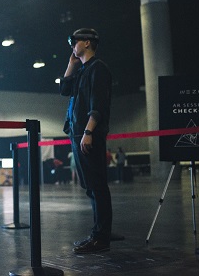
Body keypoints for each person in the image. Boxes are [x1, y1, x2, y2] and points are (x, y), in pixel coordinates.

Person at [59, 28, 113, 254]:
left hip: (87, 135)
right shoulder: (82, 70)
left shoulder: (98, 69)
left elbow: (98, 103)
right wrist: (71, 65)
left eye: (75, 41)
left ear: (88, 43)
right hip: (77, 133)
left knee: (97, 185)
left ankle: (101, 237)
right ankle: (98, 233)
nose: (72, 45)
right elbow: (64, 90)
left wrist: (89, 131)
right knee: (90, 186)